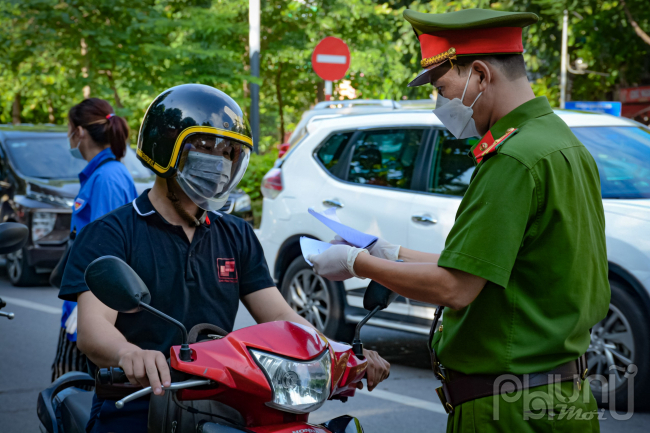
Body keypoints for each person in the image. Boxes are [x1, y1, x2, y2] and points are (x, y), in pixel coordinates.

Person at [308, 8, 609, 433]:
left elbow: (456, 287)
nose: (439, 104)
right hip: (557, 397)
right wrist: (391, 253)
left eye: (441, 87)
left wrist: (357, 264)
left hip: (508, 409)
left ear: (481, 75)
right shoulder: (560, 142)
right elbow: (487, 267)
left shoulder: (513, 159)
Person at [57, 84, 390, 433]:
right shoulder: (112, 231)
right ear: (165, 148)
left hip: (217, 406)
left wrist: (341, 352)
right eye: (204, 148)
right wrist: (129, 354)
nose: (219, 162)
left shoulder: (236, 234)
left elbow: (280, 316)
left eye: (230, 153)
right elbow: (94, 331)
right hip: (136, 402)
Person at [52, 99, 137, 382]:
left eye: (68, 129)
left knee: (69, 394)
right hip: (86, 305)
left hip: (89, 310)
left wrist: (84, 311)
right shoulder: (101, 174)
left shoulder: (107, 179)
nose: (68, 136)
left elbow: (106, 256)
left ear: (80, 132)